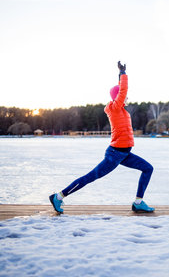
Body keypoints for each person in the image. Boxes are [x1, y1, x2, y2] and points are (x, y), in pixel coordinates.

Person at [49, 61, 154, 213]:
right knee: (91, 176)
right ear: (117, 97)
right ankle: (58, 197)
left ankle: (138, 202)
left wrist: (120, 75)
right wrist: (123, 73)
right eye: (124, 96)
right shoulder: (115, 108)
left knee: (147, 169)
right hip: (115, 154)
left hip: (124, 153)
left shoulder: (121, 110)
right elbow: (123, 91)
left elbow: (121, 91)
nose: (127, 98)